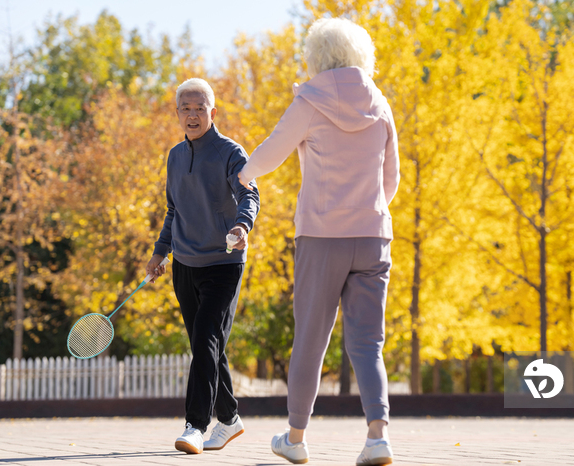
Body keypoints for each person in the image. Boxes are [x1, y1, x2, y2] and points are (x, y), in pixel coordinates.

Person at [238, 17, 400, 466]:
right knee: (368, 343)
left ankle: (295, 437)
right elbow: (392, 179)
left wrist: (242, 175)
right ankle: (377, 437)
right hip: (373, 236)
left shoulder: (310, 100)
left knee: (311, 338)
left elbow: (274, 149)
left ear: (317, 56)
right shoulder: (381, 104)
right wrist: (366, 210)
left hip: (321, 236)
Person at [147, 77, 260, 455]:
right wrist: (161, 251)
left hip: (224, 263)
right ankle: (229, 419)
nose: (192, 115)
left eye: (200, 108)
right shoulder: (175, 156)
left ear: (213, 112)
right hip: (185, 264)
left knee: (206, 339)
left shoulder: (231, 152)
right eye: (186, 108)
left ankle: (196, 425)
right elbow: (173, 209)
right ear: (177, 113)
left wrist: (242, 225)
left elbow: (249, 193)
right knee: (205, 345)